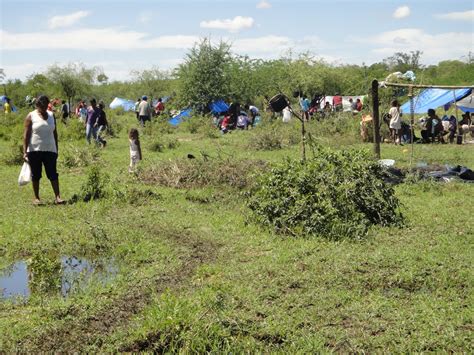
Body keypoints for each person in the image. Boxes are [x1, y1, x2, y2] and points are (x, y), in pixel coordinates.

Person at [22, 95, 64, 205]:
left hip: (50, 149)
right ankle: (36, 198)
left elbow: (55, 133)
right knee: (36, 174)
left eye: (46, 105)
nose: (44, 108)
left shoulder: (51, 115)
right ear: (37, 105)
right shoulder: (31, 116)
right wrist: (24, 151)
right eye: (42, 105)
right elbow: (26, 135)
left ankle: (58, 197)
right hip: (34, 150)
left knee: (53, 174)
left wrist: (56, 149)